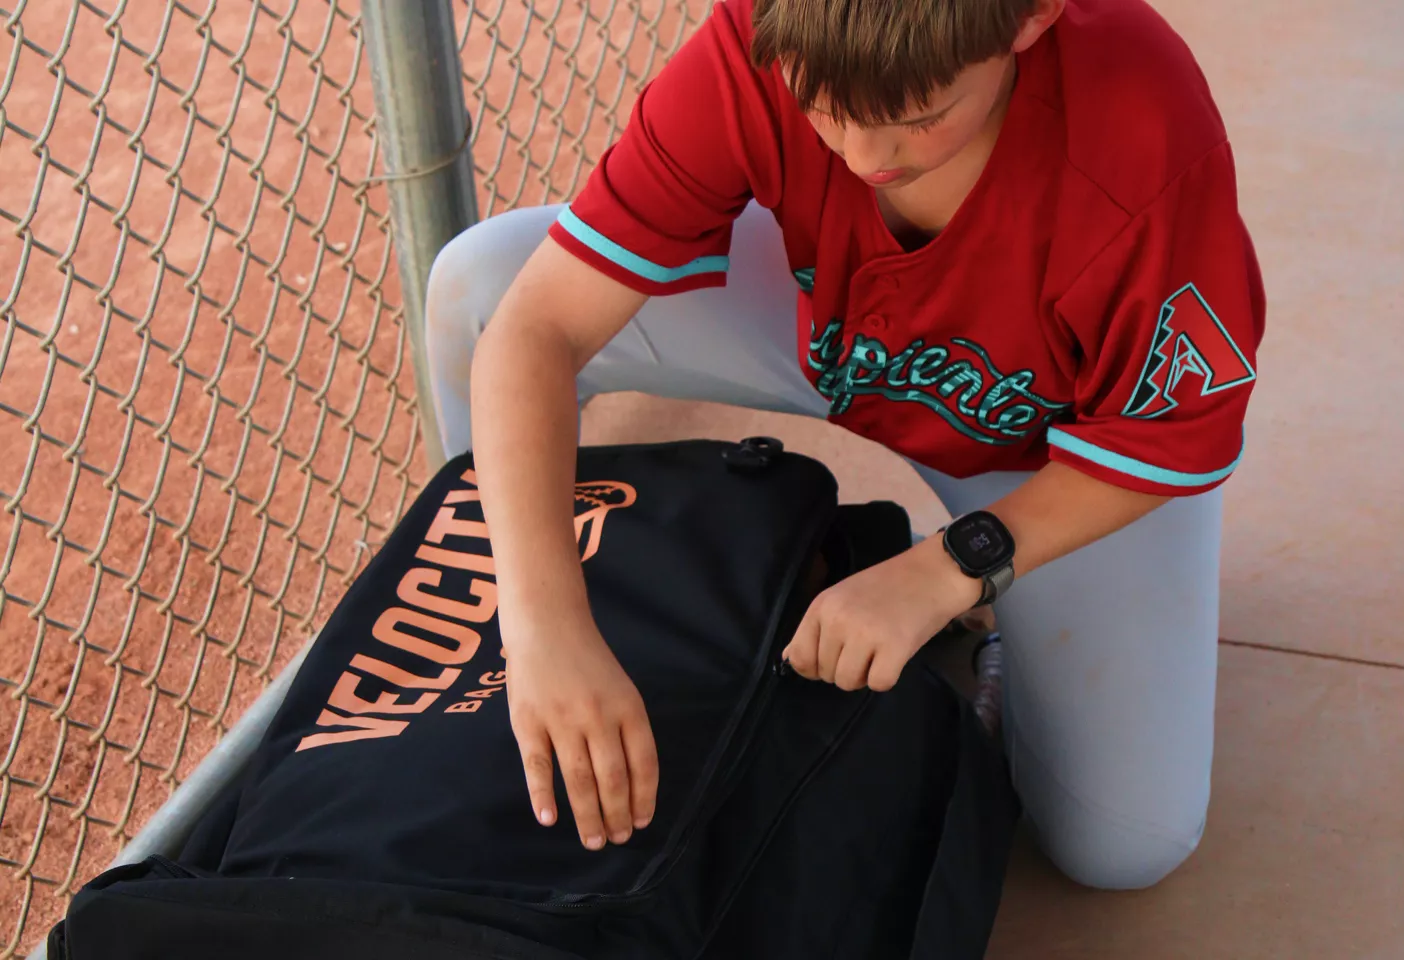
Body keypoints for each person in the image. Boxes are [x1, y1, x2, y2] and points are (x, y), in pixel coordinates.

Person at [425, 0, 1265, 891]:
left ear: (1033, 18)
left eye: (919, 115)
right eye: (823, 105)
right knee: (484, 285)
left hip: (1049, 446)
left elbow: (1168, 436)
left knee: (1123, 848)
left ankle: (1001, 627)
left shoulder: (1139, 125)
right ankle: (479, 637)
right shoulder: (759, 37)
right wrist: (543, 627)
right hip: (825, 313)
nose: (867, 157)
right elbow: (538, 325)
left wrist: (947, 568)